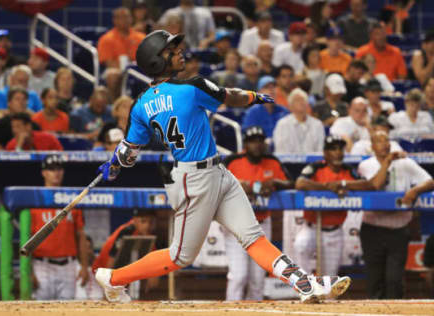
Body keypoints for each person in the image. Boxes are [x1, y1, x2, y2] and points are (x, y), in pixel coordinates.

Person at [94, 29, 352, 304]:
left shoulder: (140, 105)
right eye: (171, 50)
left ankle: (304, 283)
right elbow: (233, 97)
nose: (180, 52)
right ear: (156, 61)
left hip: (217, 172)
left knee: (253, 237)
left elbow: (129, 151)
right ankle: (113, 278)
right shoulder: (192, 87)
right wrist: (255, 96)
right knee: (179, 256)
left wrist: (114, 164)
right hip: (193, 178)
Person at [358, 131, 432, 299]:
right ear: (372, 147)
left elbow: (430, 181)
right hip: (373, 230)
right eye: (379, 141)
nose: (384, 144)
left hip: (398, 230)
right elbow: (376, 184)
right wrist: (387, 162)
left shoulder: (406, 163)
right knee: (375, 280)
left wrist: (415, 190)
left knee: (394, 280)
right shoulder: (366, 165)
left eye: (386, 140)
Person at [223, 126, 294, 301]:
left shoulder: (272, 161)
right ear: (245, 144)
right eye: (253, 141)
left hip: (261, 224)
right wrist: (237, 183)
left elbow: (292, 183)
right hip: (236, 225)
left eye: (260, 141)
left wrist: (274, 182)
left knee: (257, 279)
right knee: (239, 276)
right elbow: (214, 181)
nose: (257, 145)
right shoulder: (233, 161)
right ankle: (230, 312)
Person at [294, 135, 373, 276]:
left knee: (329, 280)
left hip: (334, 231)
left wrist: (343, 184)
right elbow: (300, 183)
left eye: (340, 149)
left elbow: (367, 184)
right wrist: (327, 187)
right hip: (312, 227)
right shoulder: (316, 167)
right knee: (301, 245)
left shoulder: (348, 170)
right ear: (325, 153)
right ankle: (305, 289)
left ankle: (326, 297)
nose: (338, 153)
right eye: (333, 149)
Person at [31, 155, 90, 300]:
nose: (56, 172)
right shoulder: (33, 199)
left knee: (67, 310)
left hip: (69, 265)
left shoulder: (72, 200)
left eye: (59, 169)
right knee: (39, 310)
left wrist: (84, 266)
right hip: (42, 265)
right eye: (51, 169)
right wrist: (28, 272)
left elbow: (80, 235)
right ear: (43, 173)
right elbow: (27, 239)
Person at [98, 7, 145, 99]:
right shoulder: (106, 39)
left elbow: (147, 58)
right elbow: (109, 64)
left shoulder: (141, 37)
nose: (125, 20)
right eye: (121, 17)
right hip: (118, 70)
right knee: (112, 75)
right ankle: (115, 105)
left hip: (139, 70)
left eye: (127, 17)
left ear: (131, 19)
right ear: (114, 20)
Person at [274, 88, 325, 153]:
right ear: (290, 106)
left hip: (314, 162)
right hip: (288, 162)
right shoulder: (282, 124)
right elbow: (280, 150)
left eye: (303, 100)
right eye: (297, 100)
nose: (301, 102)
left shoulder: (317, 124)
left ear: (307, 105)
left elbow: (320, 149)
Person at [74, 235, 104, 300]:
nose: (87, 252)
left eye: (89, 248)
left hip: (99, 301)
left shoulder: (100, 263)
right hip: (79, 302)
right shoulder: (73, 266)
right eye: (84, 249)